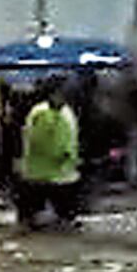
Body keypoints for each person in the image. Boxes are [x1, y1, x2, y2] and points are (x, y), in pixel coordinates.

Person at [13, 75, 83, 231]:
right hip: (41, 170)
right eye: (59, 93)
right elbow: (37, 139)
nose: (61, 97)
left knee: (62, 202)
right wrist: (60, 154)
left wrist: (71, 156)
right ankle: (33, 219)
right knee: (37, 200)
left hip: (62, 171)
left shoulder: (66, 112)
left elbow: (70, 136)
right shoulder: (41, 113)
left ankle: (60, 219)